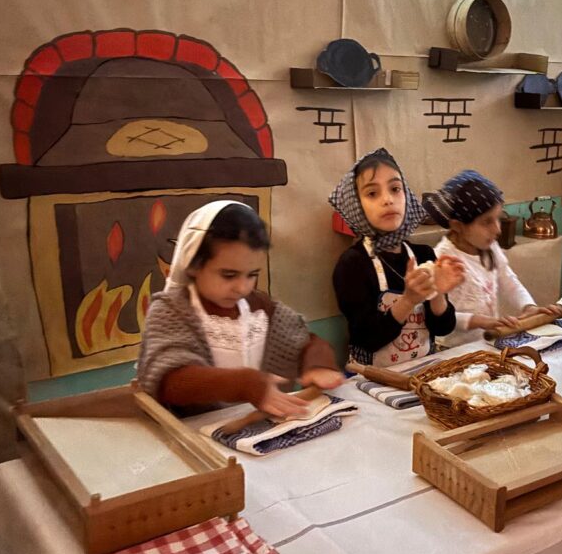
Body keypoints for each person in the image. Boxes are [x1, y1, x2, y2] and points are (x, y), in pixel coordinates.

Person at [137, 201, 343, 417]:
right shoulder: (171, 310)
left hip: (260, 424)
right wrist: (247, 384)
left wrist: (319, 363)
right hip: (195, 430)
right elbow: (171, 381)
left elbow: (304, 341)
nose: (243, 287)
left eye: (252, 275)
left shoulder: (261, 307)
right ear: (194, 264)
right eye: (229, 275)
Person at [331, 148, 465, 367]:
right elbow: (367, 339)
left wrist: (438, 294)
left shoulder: (424, 255)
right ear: (356, 206)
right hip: (372, 378)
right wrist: (408, 300)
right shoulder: (352, 264)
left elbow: (443, 328)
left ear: (407, 196)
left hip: (423, 371)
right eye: (372, 193)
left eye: (395, 189)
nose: (387, 200)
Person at [422, 170, 558, 347]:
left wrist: (528, 307)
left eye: (498, 219)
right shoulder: (443, 258)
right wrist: (479, 321)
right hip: (451, 349)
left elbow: (509, 281)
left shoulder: (490, 247)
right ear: (457, 226)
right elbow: (440, 316)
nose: (497, 229)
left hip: (486, 343)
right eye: (487, 222)